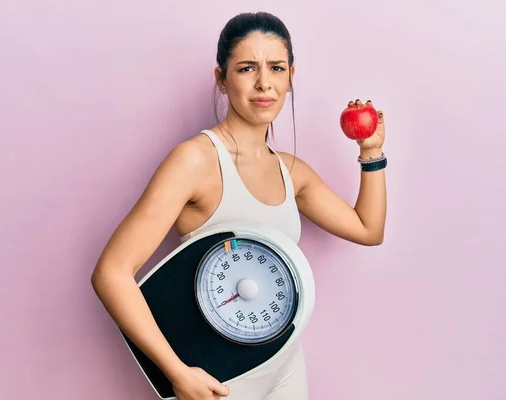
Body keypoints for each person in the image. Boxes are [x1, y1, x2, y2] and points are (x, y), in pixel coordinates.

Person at [91, 11, 387, 400]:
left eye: (277, 68)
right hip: (218, 379)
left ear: (291, 78)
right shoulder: (194, 161)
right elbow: (111, 272)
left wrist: (372, 152)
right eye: (247, 68)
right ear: (222, 79)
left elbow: (368, 230)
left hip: (286, 369)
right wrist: (176, 373)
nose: (265, 83)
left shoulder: (291, 171)